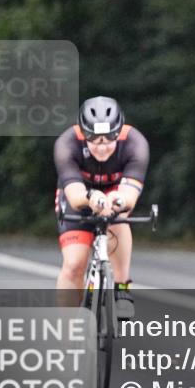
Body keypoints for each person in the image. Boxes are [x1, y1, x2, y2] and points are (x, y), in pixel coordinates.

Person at [53, 96, 149, 320]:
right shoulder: (67, 142)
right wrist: (90, 197)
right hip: (80, 193)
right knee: (74, 265)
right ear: (83, 135)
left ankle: (122, 288)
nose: (102, 148)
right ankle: (66, 330)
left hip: (116, 193)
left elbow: (130, 195)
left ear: (119, 133)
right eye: (95, 141)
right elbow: (75, 195)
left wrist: (119, 200)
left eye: (108, 141)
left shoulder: (135, 142)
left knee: (118, 216)